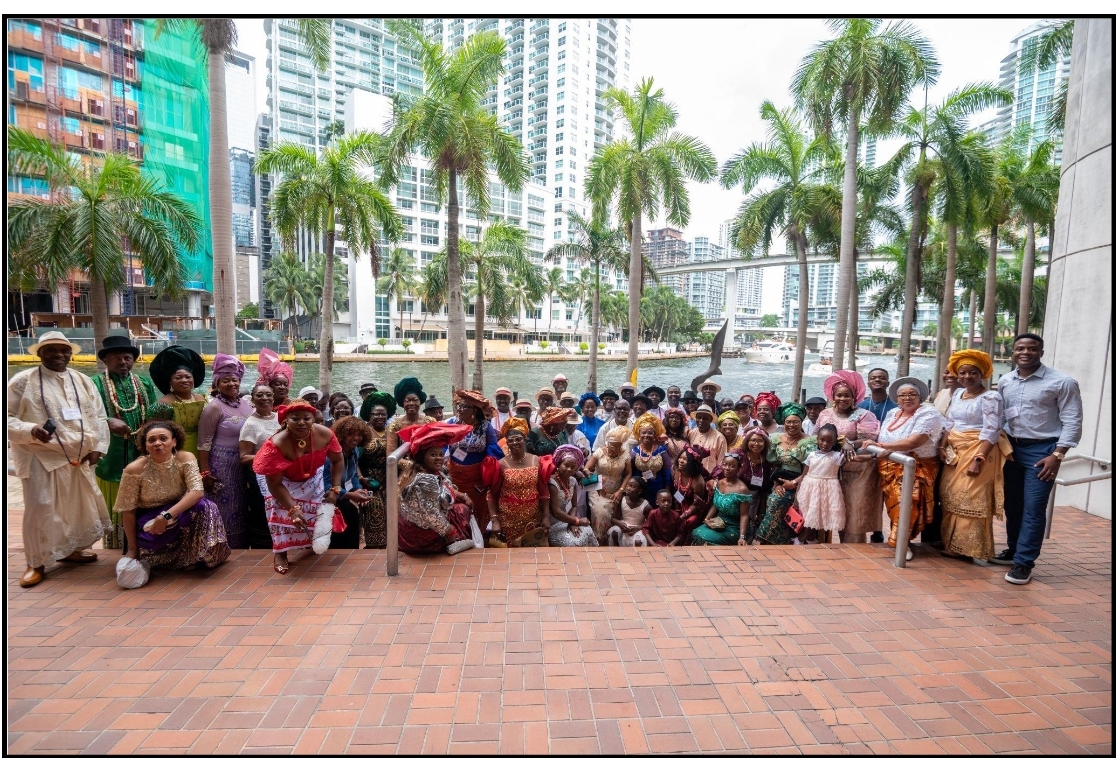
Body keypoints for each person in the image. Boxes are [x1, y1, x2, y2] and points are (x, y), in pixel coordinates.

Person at [8, 332, 112, 588]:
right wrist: (30, 429)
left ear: (71, 353)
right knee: (41, 507)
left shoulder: (83, 381)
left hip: (78, 457)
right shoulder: (22, 381)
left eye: (63, 350)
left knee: (75, 507)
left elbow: (99, 417)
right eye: (51, 350)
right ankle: (35, 562)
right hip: (39, 455)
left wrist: (99, 446)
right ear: (39, 353)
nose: (58, 355)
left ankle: (71, 550)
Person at [994, 334, 1083, 585]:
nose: (1025, 352)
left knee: (1033, 508)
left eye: (1032, 349)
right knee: (1012, 505)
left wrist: (1057, 455)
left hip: (1042, 453)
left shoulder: (1062, 382)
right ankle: (1013, 550)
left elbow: (1073, 421)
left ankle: (1024, 563)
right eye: (1020, 348)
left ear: (1041, 352)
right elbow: (1001, 417)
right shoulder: (1005, 380)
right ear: (1012, 352)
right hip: (1011, 449)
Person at [113, 420, 230, 586]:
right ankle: (162, 557)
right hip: (149, 521)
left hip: (176, 512)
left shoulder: (185, 458)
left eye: (163, 438)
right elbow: (127, 510)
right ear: (145, 445)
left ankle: (192, 557)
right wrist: (133, 548)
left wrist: (166, 515)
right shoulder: (134, 469)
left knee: (206, 506)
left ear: (174, 441)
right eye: (151, 440)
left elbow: (197, 492)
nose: (157, 443)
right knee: (154, 538)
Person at [936, 350, 1012, 564]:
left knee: (971, 497)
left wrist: (979, 460)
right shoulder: (958, 394)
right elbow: (949, 423)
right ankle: (951, 543)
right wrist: (942, 446)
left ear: (982, 375)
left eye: (973, 373)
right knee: (950, 494)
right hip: (955, 450)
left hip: (979, 450)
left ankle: (970, 547)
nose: (967, 377)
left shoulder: (991, 397)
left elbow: (992, 430)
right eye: (963, 373)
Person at [252, 401, 345, 573]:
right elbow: (274, 483)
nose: (301, 423)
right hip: (281, 481)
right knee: (279, 513)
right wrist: (292, 508)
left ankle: (308, 545)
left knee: (312, 515)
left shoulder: (324, 434)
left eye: (306, 418)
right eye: (295, 419)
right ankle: (280, 553)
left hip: (312, 477)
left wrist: (335, 488)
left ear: (313, 419)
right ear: (286, 420)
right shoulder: (277, 443)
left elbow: (337, 460)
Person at [92, 335, 159, 550]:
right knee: (114, 491)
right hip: (111, 451)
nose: (123, 362)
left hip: (141, 447)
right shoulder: (94, 384)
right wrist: (106, 421)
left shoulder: (144, 382)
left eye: (127, 358)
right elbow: (84, 414)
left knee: (144, 491)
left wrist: (148, 437)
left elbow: (153, 413)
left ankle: (143, 540)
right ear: (105, 360)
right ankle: (116, 544)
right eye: (116, 358)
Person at [873, 377, 944, 562]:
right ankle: (901, 540)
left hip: (917, 466)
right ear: (897, 399)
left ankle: (901, 543)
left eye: (912, 394)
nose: (907, 398)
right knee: (895, 504)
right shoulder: (892, 413)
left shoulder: (928, 413)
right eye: (902, 395)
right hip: (890, 465)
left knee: (908, 502)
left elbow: (914, 441)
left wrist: (883, 446)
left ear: (919, 397)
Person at [814, 370, 882, 544]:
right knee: (838, 509)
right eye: (839, 395)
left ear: (854, 397)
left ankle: (855, 551)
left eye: (847, 395)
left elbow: (870, 439)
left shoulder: (863, 415)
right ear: (833, 396)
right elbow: (816, 436)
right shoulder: (825, 414)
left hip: (858, 471)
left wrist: (851, 443)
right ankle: (841, 548)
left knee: (855, 510)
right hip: (832, 471)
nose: (842, 399)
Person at [394, 422, 478, 555]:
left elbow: (446, 488)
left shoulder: (430, 472)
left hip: (410, 531)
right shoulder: (427, 480)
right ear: (423, 458)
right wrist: (450, 531)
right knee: (461, 511)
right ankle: (455, 544)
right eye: (433, 455)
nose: (439, 458)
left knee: (459, 507)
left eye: (440, 454)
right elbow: (431, 516)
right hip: (418, 539)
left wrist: (463, 495)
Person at [197, 354, 254, 549]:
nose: (231, 384)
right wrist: (205, 473)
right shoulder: (214, 408)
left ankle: (242, 545)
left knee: (241, 504)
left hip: (243, 463)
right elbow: (203, 443)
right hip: (221, 464)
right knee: (224, 506)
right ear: (217, 383)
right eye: (226, 380)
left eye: (235, 380)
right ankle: (220, 546)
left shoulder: (245, 404)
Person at [755, 403, 816, 545]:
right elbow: (774, 464)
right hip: (781, 480)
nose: (792, 425)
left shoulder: (809, 442)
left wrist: (793, 484)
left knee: (778, 501)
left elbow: (809, 470)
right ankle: (775, 539)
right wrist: (777, 484)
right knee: (774, 498)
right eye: (788, 422)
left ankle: (769, 538)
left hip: (802, 483)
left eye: (796, 422)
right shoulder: (776, 438)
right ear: (784, 422)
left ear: (801, 422)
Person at [446, 389, 504, 531]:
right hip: (454, 475)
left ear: (474, 410)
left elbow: (492, 450)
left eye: (464, 406)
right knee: (454, 508)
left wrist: (492, 468)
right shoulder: (452, 423)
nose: (459, 409)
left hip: (476, 478)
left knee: (476, 510)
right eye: (458, 405)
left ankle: (477, 539)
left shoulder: (485, 427)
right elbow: (441, 446)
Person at [487, 420, 550, 547]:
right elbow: (491, 495)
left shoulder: (537, 461)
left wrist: (546, 516)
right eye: (511, 440)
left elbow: (544, 492)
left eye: (518, 439)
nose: (514, 443)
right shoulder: (500, 464)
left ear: (525, 439)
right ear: (507, 443)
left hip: (533, 519)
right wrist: (495, 520)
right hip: (507, 521)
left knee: (532, 555)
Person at [238, 383, 281, 549]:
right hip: (260, 477)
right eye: (260, 395)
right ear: (252, 399)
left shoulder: (280, 418)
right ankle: (263, 550)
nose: (265, 398)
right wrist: (270, 456)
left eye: (268, 395)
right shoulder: (250, 424)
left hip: (283, 474)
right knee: (262, 514)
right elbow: (243, 457)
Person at [322, 416, 373, 549]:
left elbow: (354, 475)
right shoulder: (331, 454)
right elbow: (326, 486)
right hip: (328, 497)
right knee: (348, 510)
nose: (356, 438)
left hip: (342, 494)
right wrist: (351, 495)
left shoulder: (354, 451)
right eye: (351, 434)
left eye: (359, 434)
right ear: (342, 434)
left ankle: (352, 552)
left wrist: (358, 489)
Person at [149, 346, 208, 456]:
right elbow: (151, 431)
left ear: (193, 379)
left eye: (187, 377)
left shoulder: (202, 398)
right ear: (170, 382)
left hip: (202, 449)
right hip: (174, 451)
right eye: (178, 377)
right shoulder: (162, 404)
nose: (184, 380)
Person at [794, 424, 847, 543]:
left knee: (816, 516)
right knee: (808, 515)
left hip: (827, 490)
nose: (825, 444)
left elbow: (856, 458)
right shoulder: (812, 455)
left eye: (829, 441)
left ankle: (808, 538)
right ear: (817, 439)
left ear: (834, 442)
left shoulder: (836, 456)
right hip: (809, 488)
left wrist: (875, 455)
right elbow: (803, 476)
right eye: (822, 440)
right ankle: (803, 538)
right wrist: (796, 497)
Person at [356, 391, 395, 549]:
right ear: (369, 415)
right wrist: (360, 478)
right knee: (375, 511)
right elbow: (355, 460)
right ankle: (374, 547)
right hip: (370, 481)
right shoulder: (363, 433)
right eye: (376, 414)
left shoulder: (392, 431)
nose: (380, 417)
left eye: (383, 414)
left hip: (390, 479)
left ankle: (393, 545)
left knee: (392, 513)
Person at [690, 453, 752, 546]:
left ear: (739, 469)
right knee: (695, 533)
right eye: (725, 464)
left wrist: (742, 537)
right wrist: (707, 519)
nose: (727, 468)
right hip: (719, 523)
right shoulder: (719, 483)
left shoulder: (742, 489)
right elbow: (715, 505)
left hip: (735, 527)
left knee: (703, 538)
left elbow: (744, 516)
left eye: (732, 466)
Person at [585, 427, 633, 543]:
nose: (615, 449)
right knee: (600, 511)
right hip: (598, 490)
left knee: (614, 513)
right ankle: (598, 540)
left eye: (618, 446)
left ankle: (611, 541)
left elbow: (628, 474)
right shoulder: (599, 452)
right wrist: (597, 484)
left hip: (616, 491)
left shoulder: (624, 454)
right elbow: (586, 469)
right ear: (607, 443)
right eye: (613, 446)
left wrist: (621, 490)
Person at [548, 445, 598, 547]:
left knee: (587, 530)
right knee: (574, 542)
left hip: (567, 521)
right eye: (566, 465)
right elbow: (556, 512)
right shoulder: (552, 483)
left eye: (573, 467)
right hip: (552, 525)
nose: (569, 469)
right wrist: (577, 521)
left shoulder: (573, 480)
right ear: (558, 464)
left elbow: (574, 505)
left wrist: (572, 523)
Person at [737, 428, 774, 545]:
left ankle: (750, 536)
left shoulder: (768, 460)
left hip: (757, 494)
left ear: (765, 443)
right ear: (747, 441)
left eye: (760, 441)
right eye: (753, 440)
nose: (756, 444)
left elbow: (769, 481)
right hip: (737, 492)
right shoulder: (739, 454)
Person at [671, 445, 709, 545]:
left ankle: (686, 544)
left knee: (688, 522)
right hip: (679, 503)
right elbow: (677, 491)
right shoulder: (676, 471)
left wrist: (683, 515)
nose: (681, 461)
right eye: (680, 458)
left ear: (692, 463)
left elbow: (697, 505)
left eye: (685, 459)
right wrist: (676, 508)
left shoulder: (697, 481)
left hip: (694, 508)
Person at [387, 377, 433, 454]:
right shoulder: (395, 426)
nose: (411, 403)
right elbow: (390, 454)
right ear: (403, 403)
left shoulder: (430, 422)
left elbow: (435, 447)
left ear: (420, 401)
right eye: (407, 400)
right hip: (404, 463)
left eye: (415, 400)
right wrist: (411, 465)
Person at [631, 412, 672, 497]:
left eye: (650, 433)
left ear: (654, 435)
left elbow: (667, 471)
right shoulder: (634, 451)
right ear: (639, 434)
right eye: (643, 432)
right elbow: (629, 472)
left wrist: (667, 490)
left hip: (659, 490)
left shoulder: (661, 450)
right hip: (639, 491)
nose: (646, 435)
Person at [607, 476, 651, 546]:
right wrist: (620, 524)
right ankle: (615, 553)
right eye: (627, 485)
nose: (628, 488)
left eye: (632, 486)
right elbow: (613, 518)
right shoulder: (622, 500)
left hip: (638, 529)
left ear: (640, 491)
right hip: (624, 527)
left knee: (638, 541)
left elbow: (649, 524)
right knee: (615, 532)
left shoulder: (646, 506)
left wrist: (637, 528)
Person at [687, 405, 727, 477]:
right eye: (699, 417)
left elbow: (721, 462)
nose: (701, 420)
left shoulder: (719, 437)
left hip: (710, 476)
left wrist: (715, 479)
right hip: (692, 475)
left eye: (705, 418)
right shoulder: (691, 433)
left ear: (710, 420)